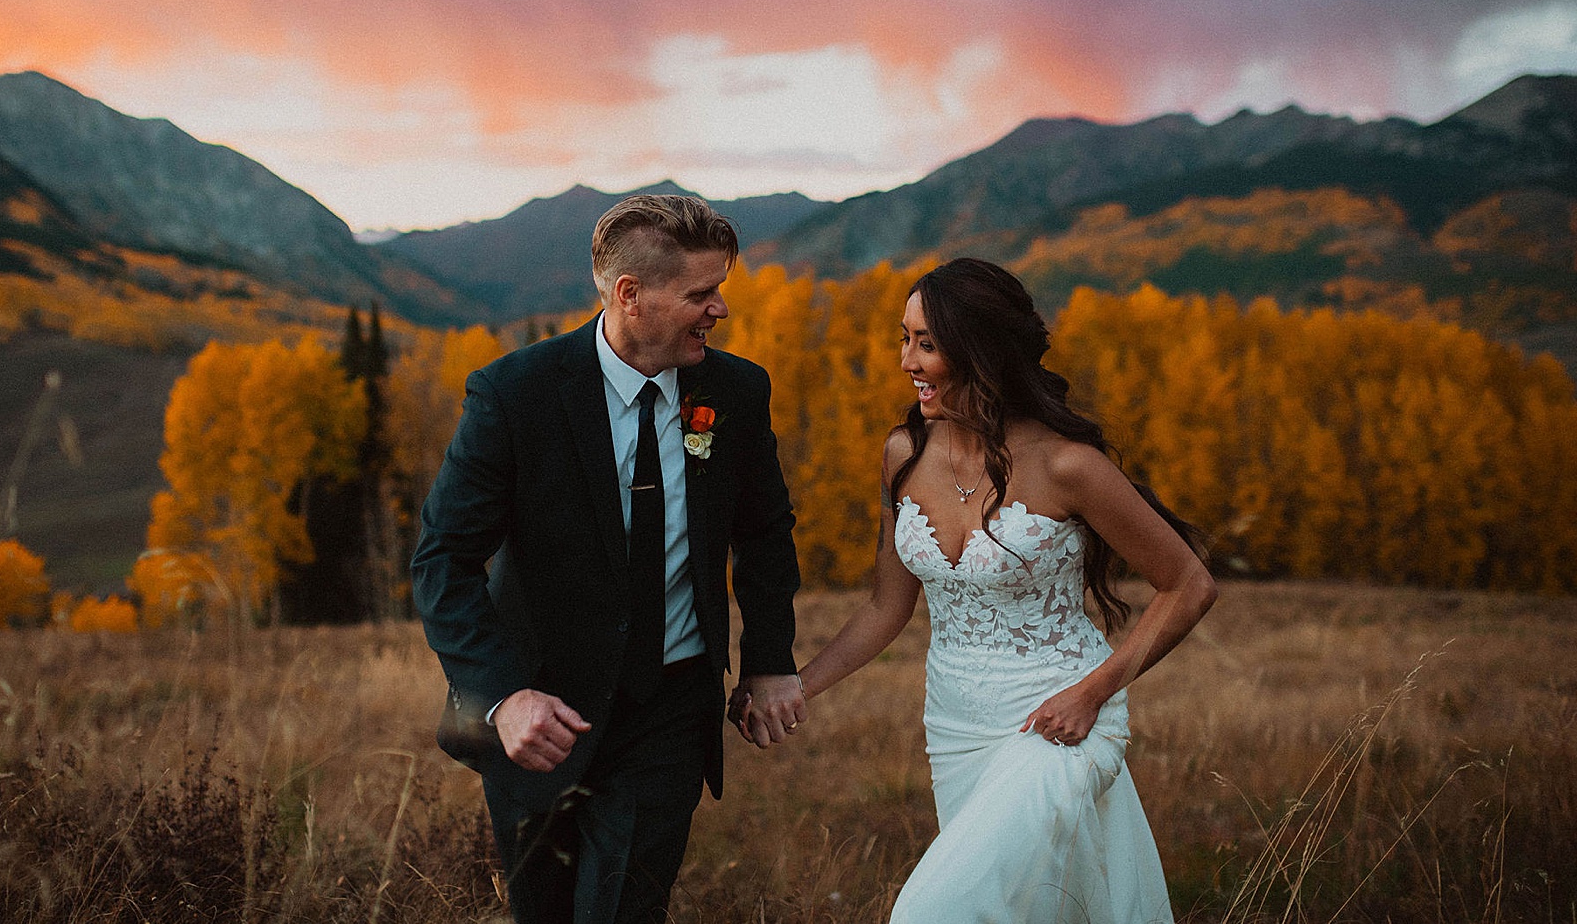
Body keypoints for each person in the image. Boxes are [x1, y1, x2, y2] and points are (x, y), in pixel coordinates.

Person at [777, 257, 1216, 923]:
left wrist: (1092, 692)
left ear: (980, 350)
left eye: (926, 343)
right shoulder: (903, 454)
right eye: (905, 338)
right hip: (955, 728)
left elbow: (1189, 584)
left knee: (932, 911)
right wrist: (796, 686)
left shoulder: (1068, 464)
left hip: (1059, 723)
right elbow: (885, 608)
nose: (907, 360)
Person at [411, 193, 805, 924]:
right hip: (541, 717)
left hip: (670, 710)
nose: (720, 308)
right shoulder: (514, 394)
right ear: (631, 295)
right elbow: (442, 560)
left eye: (719, 287)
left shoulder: (737, 390)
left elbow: (766, 530)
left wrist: (771, 656)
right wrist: (502, 698)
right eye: (701, 292)